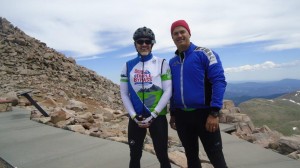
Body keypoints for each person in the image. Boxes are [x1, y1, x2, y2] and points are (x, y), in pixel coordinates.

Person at [168, 20, 228, 168]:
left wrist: (214, 113)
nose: (179, 35)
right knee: (191, 157)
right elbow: (172, 89)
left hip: (205, 115)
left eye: (182, 31)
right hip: (182, 117)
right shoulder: (172, 62)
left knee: (216, 156)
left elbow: (219, 81)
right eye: (175, 33)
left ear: (189, 33)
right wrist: (173, 113)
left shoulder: (205, 53)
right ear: (172, 38)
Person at [120, 26, 172, 168]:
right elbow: (124, 93)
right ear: (135, 44)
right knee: (135, 156)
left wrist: (154, 114)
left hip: (157, 116)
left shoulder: (162, 63)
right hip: (136, 117)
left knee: (162, 155)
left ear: (152, 43)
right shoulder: (127, 66)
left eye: (147, 41)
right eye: (140, 41)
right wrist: (133, 116)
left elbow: (168, 91)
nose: (144, 44)